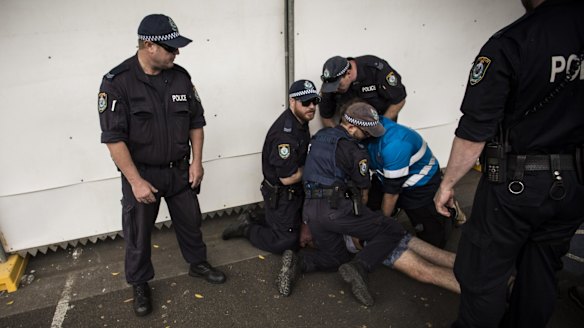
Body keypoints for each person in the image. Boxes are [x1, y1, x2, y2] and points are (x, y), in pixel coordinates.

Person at [434, 1, 584, 327]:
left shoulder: (512, 41)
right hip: (575, 184)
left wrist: (447, 184)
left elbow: (475, 131)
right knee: (542, 270)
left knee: (483, 273)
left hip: (517, 185)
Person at [97, 14, 226, 317]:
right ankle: (140, 283)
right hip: (142, 174)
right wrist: (135, 181)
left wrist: (197, 162)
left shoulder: (180, 76)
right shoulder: (117, 83)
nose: (176, 53)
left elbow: (196, 122)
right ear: (148, 45)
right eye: (170, 48)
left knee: (191, 222)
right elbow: (114, 139)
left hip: (179, 170)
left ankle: (198, 264)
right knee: (138, 234)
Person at [277, 102, 458, 307]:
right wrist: (365, 221)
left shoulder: (319, 137)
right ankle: (361, 267)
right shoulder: (356, 151)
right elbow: (363, 193)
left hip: (310, 211)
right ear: (352, 127)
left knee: (335, 258)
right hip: (336, 209)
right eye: (366, 132)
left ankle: (300, 262)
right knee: (391, 228)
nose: (370, 136)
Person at [221, 80, 319, 253]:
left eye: (315, 101)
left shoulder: (300, 120)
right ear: (292, 102)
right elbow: (287, 179)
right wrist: (314, 169)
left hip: (296, 191)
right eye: (306, 102)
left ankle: (257, 216)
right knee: (287, 242)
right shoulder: (284, 136)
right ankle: (247, 229)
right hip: (282, 194)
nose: (311, 106)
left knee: (313, 227)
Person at [366, 115, 465, 248]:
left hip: (420, 185)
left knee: (433, 242)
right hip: (384, 177)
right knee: (368, 217)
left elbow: (392, 193)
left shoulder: (395, 145)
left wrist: (384, 224)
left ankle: (451, 210)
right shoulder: (355, 133)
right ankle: (393, 209)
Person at [319, 55, 406, 128]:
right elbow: (326, 116)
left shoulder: (374, 69)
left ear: (348, 73)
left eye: (338, 85)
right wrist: (339, 138)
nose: (334, 90)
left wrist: (381, 126)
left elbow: (399, 100)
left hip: (382, 122)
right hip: (353, 131)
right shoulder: (330, 82)